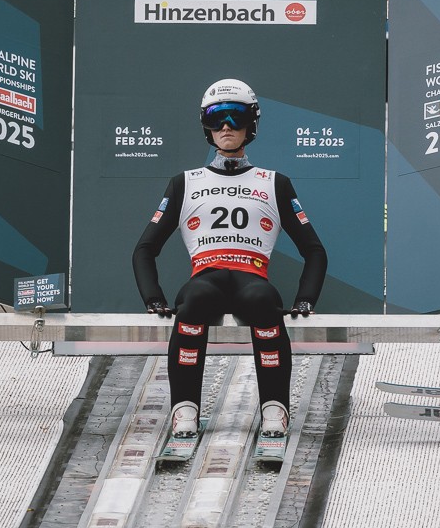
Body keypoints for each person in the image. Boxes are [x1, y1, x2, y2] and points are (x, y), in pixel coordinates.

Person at [132, 78, 327, 439]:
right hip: (206, 277)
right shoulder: (184, 182)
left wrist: (306, 299)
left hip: (252, 278)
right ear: (205, 125)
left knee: (263, 301)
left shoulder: (275, 182)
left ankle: (274, 407)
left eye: (236, 116)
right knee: (195, 299)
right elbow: (144, 248)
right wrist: (152, 298)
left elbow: (314, 250)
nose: (226, 126)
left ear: (252, 124)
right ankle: (184, 407)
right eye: (216, 117)